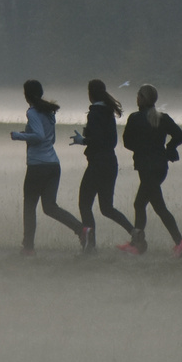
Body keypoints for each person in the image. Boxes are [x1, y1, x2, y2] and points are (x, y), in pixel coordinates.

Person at [10, 79, 88, 254]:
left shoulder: (32, 112)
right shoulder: (48, 112)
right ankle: (81, 230)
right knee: (50, 207)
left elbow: (38, 136)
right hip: (53, 165)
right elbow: (50, 139)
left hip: (38, 166)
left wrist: (18, 136)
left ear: (26, 95)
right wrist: (28, 135)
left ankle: (28, 247)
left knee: (30, 206)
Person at [118, 83, 182, 257]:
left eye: (138, 96)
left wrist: (141, 148)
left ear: (142, 99)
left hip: (146, 167)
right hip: (160, 166)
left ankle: (179, 243)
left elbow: (127, 142)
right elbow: (180, 135)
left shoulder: (135, 118)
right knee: (141, 204)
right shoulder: (162, 118)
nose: (136, 99)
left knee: (158, 207)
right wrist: (169, 147)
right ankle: (138, 244)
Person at [69, 78, 135, 253]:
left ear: (90, 94)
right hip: (110, 162)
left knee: (84, 204)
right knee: (107, 207)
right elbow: (110, 140)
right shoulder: (108, 112)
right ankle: (134, 231)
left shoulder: (95, 113)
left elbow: (96, 140)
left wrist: (83, 140)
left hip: (97, 163)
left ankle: (90, 246)